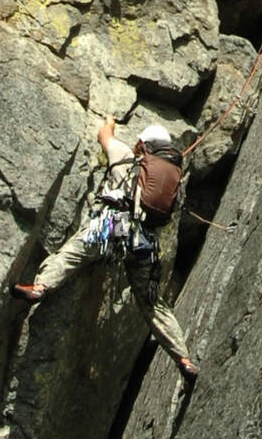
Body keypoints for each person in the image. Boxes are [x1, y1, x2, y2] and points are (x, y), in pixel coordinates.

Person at [12, 117, 199, 381]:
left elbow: (104, 135)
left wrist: (109, 120)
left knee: (71, 254)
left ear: (143, 144)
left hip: (112, 227)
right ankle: (184, 358)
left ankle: (41, 286)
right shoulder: (171, 180)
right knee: (153, 304)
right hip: (142, 243)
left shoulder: (123, 154)